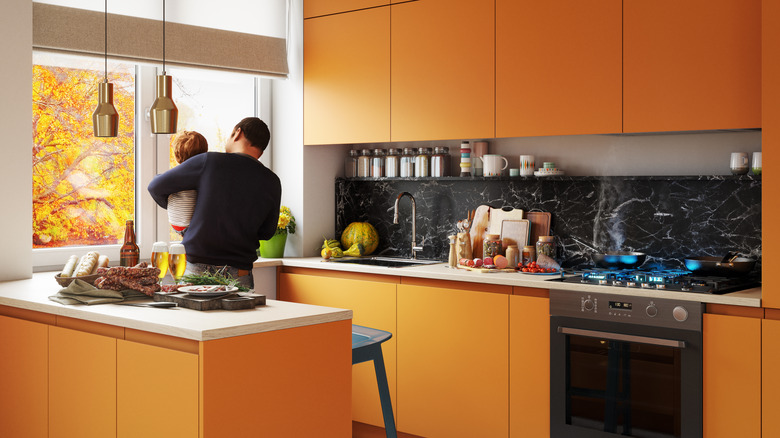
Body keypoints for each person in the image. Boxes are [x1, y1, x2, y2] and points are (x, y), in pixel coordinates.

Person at [147, 118, 281, 289]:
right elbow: (267, 232)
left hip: (197, 270)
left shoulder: (210, 162)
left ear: (237, 132)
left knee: (193, 316)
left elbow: (156, 186)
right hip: (240, 275)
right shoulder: (272, 181)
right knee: (239, 317)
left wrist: (190, 214)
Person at [167, 131, 208, 236]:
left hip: (175, 224)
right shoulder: (202, 174)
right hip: (193, 225)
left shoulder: (173, 174)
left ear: (176, 154)